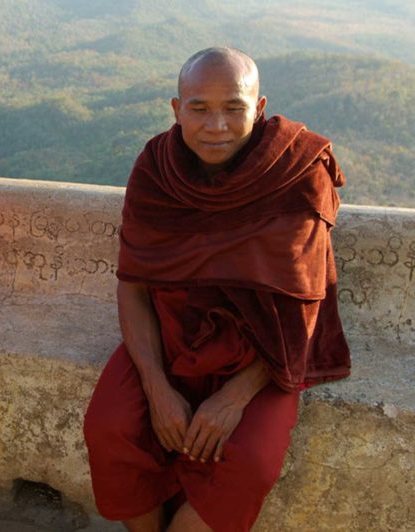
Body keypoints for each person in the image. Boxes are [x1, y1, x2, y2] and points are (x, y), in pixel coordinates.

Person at [83, 47, 351, 532]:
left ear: (260, 108)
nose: (217, 126)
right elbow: (134, 286)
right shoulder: (156, 170)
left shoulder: (295, 172)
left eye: (234, 107)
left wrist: (234, 397)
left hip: (264, 350)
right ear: (175, 109)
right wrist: (155, 385)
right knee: (112, 427)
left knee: (250, 460)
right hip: (169, 336)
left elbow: (303, 304)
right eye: (199, 108)